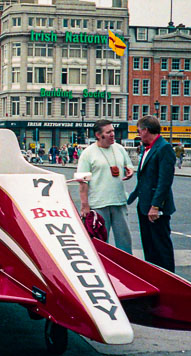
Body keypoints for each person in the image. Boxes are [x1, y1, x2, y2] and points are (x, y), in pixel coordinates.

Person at [76, 119, 136, 253]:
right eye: (108, 132)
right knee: (101, 241)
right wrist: (85, 205)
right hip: (99, 204)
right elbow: (83, 181)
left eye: (113, 131)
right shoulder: (88, 153)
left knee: (125, 241)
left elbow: (129, 165)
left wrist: (130, 170)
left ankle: (127, 267)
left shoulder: (119, 148)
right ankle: (104, 267)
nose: (113, 134)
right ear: (98, 135)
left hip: (119, 201)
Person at [127, 115, 177, 272]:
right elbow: (144, 178)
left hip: (155, 208)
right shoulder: (147, 148)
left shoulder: (164, 148)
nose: (138, 134)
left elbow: (164, 181)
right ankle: (154, 276)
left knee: (161, 247)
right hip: (144, 205)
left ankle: (169, 278)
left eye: (139, 131)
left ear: (146, 130)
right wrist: (133, 197)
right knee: (149, 247)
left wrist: (155, 206)